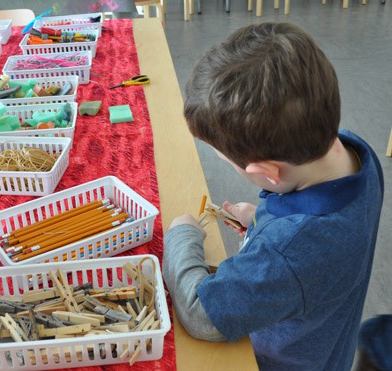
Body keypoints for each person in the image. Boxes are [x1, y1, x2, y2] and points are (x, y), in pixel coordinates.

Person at [162, 22, 384, 370]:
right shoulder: (356, 153)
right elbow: (317, 245)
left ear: (268, 173)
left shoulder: (287, 253)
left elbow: (200, 313)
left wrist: (181, 235)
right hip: (328, 349)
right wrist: (264, 222)